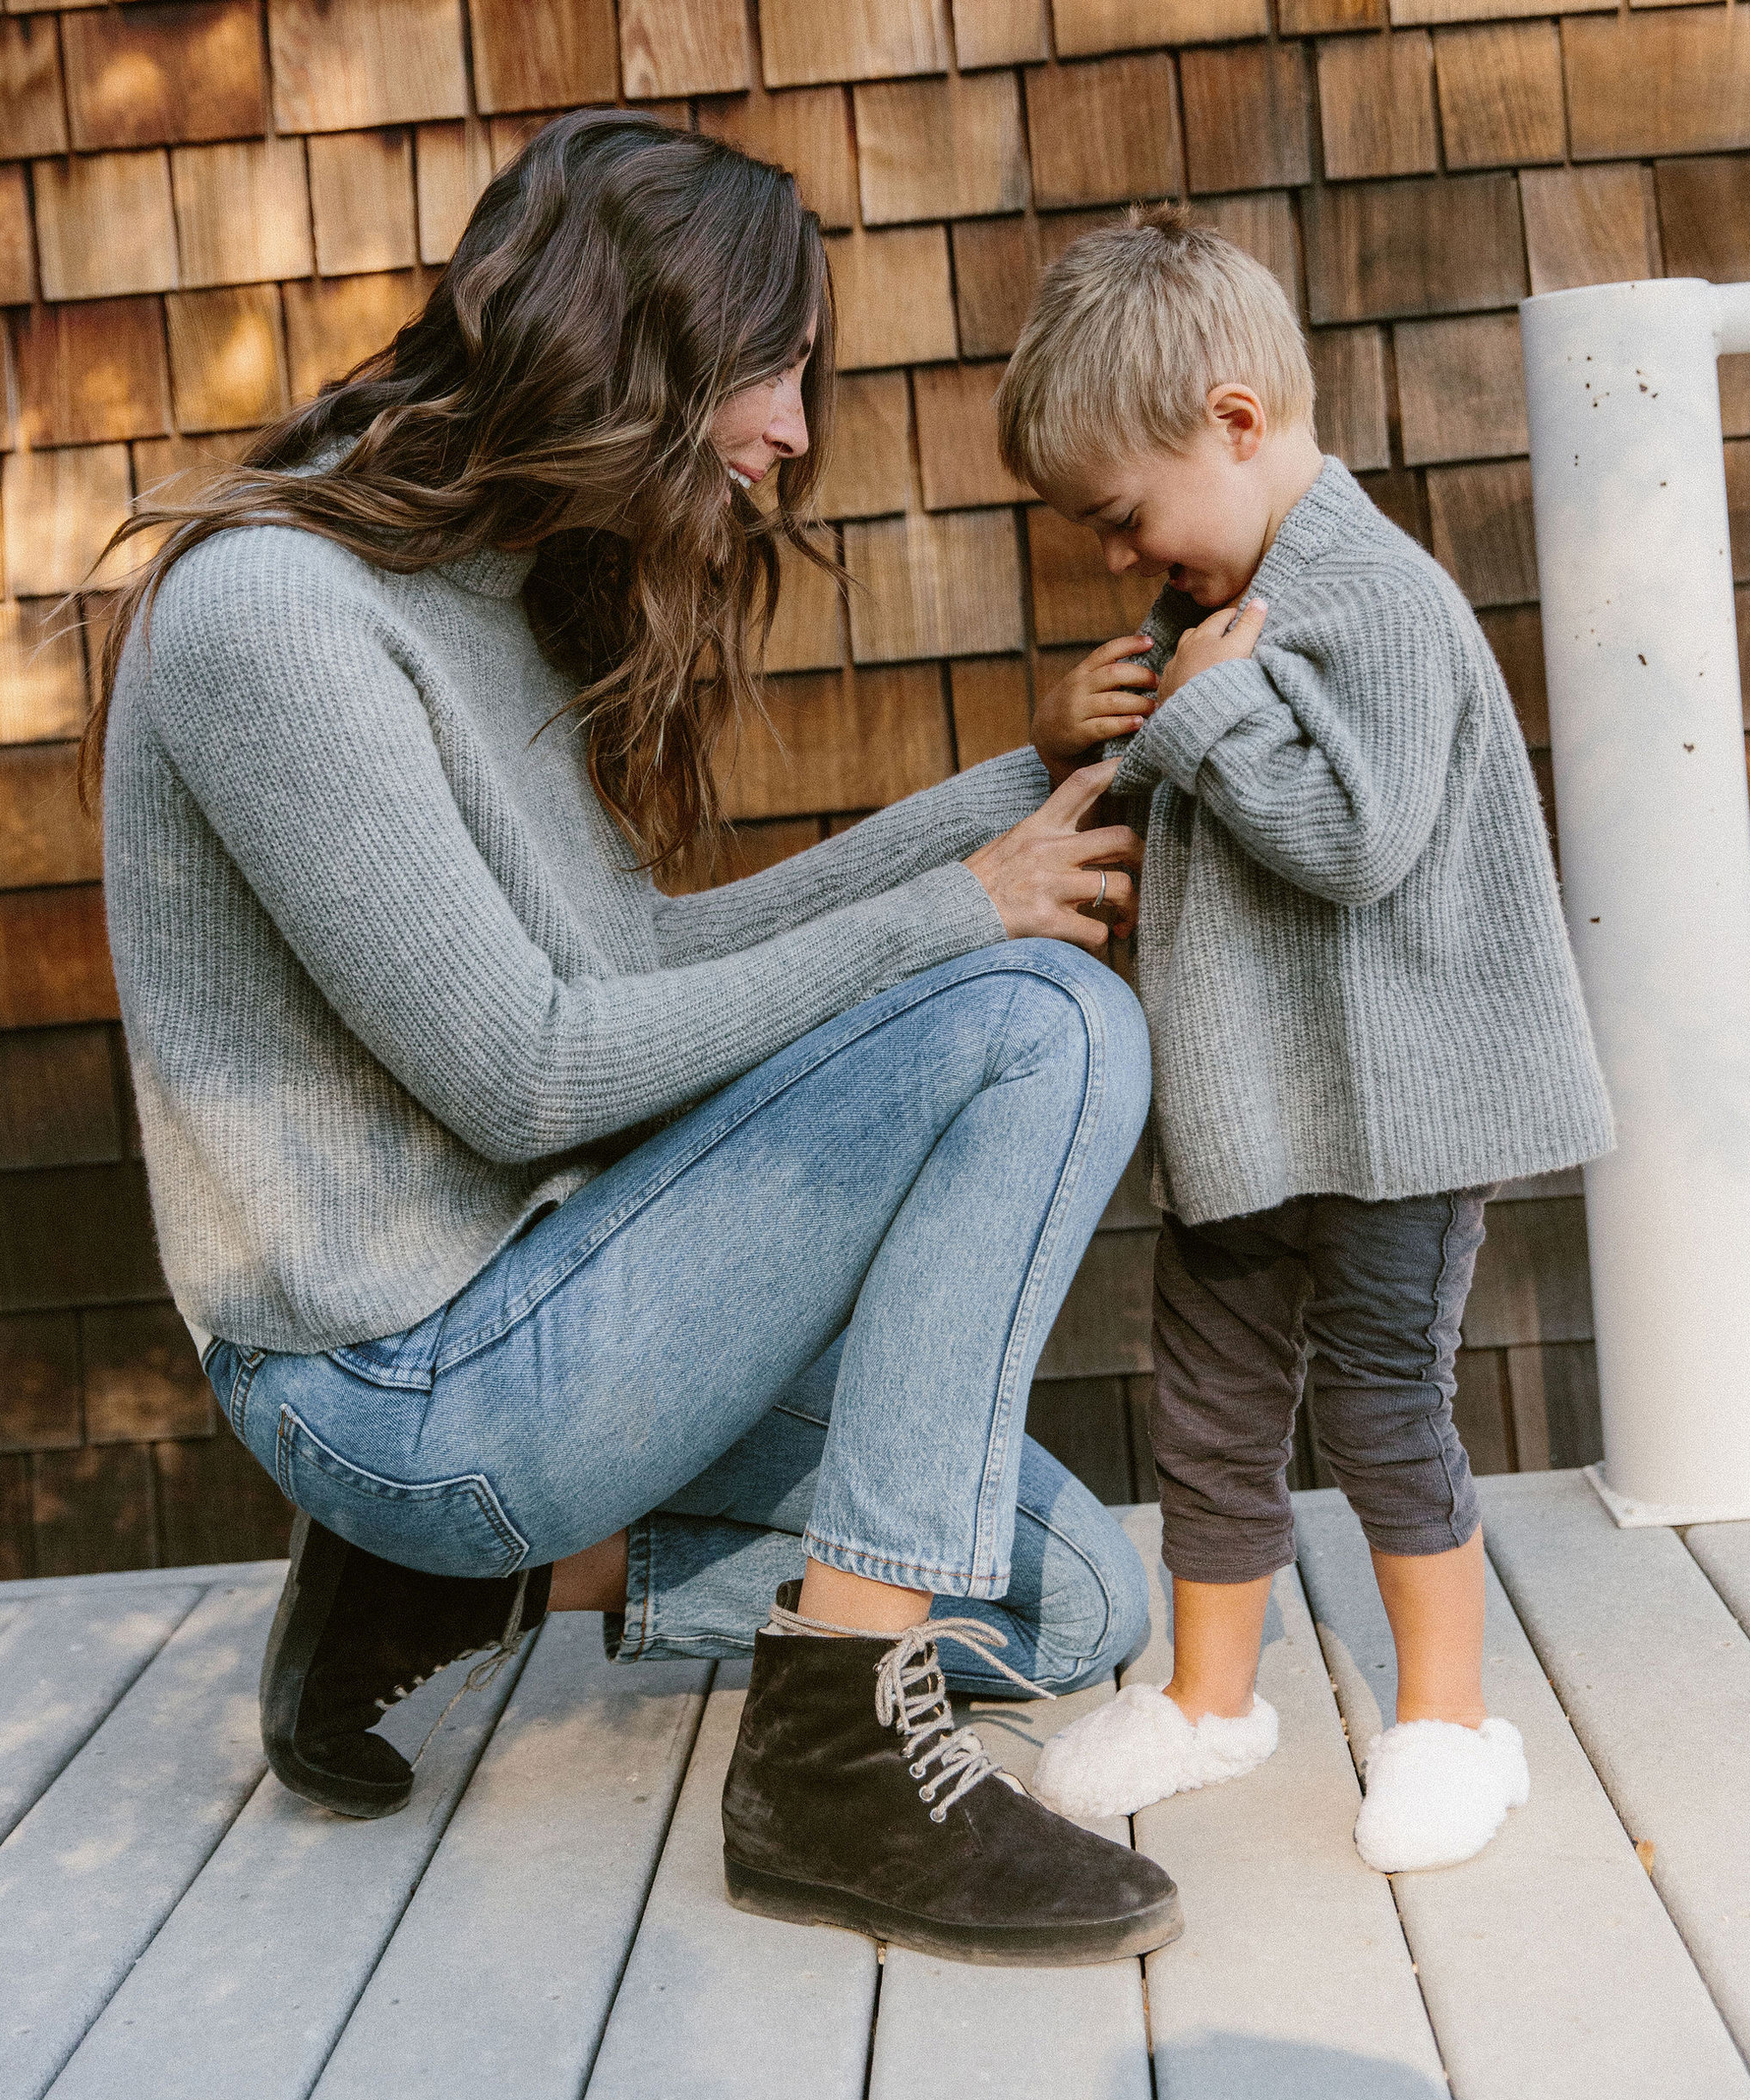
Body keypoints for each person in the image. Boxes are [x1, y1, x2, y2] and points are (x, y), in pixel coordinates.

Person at [89, 109, 1181, 1968]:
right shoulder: (275, 619)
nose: (794, 433)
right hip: (409, 1374)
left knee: (1070, 1611)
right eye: (777, 367)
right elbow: (526, 1073)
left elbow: (636, 971)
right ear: (636, 344)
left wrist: (1013, 789)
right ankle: (835, 1763)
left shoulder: (478, 592)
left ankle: (481, 1581)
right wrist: (965, 911)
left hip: (560, 1296)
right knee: (1042, 1022)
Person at [992, 203, 1613, 1872]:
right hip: (1247, 1113)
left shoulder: (1378, 602)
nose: (1119, 558)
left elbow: (1353, 837)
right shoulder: (1226, 611)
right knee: (1206, 1406)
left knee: (1387, 1405)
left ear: (1238, 425)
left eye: (1124, 518)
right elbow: (1162, 800)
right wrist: (1089, 730)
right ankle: (1210, 1700)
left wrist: (1199, 710)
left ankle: (1447, 1722)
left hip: (1392, 1116)